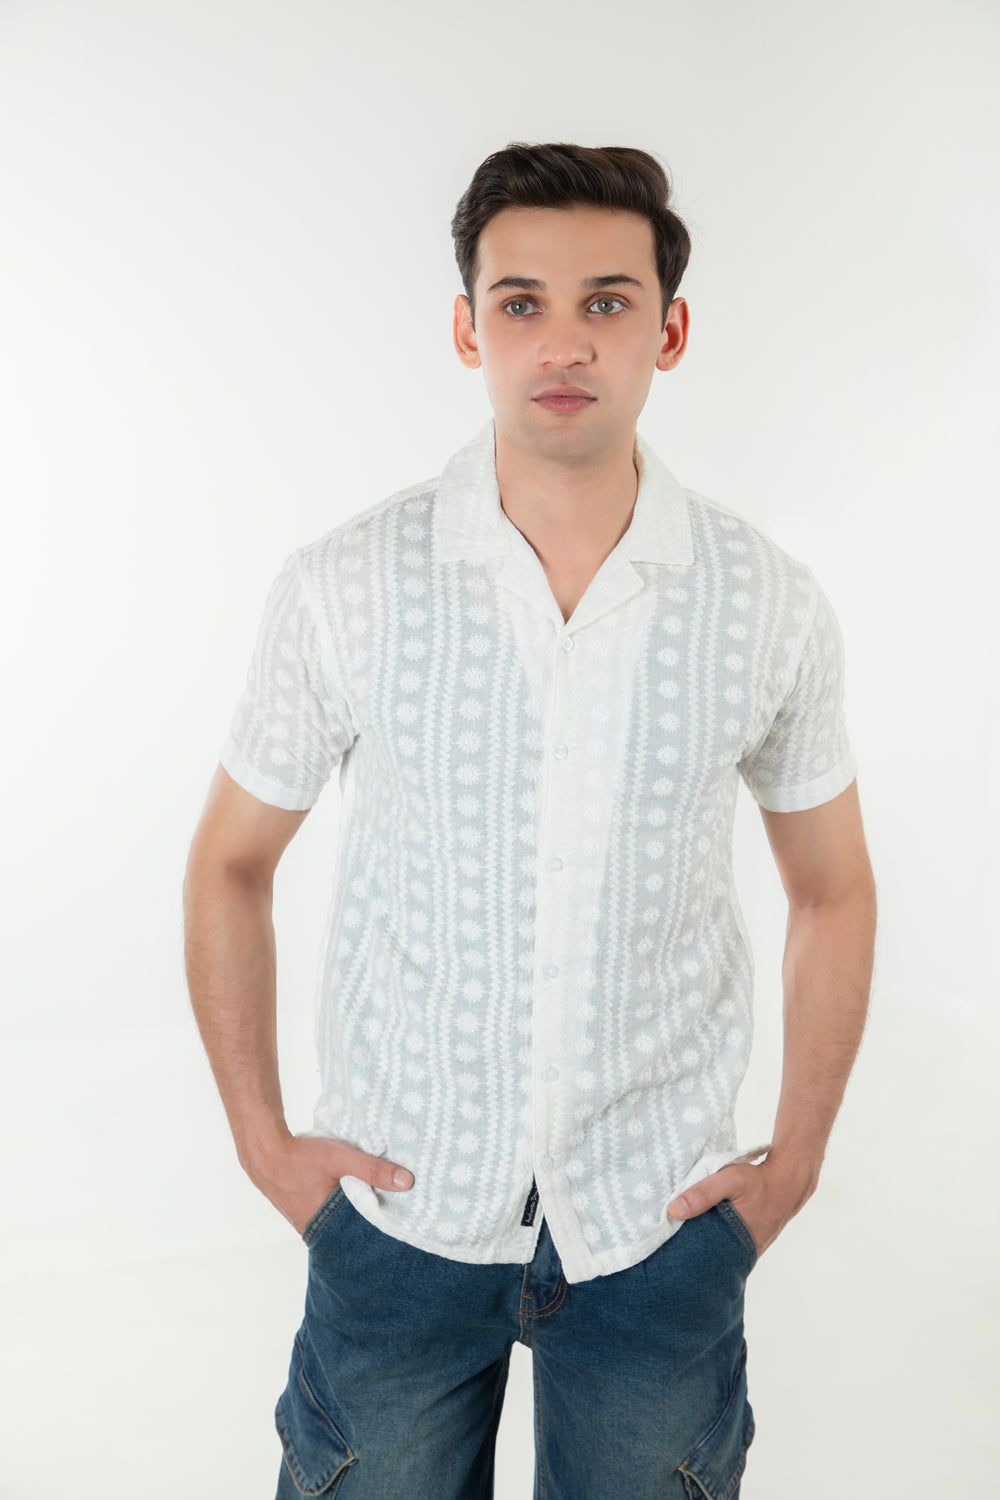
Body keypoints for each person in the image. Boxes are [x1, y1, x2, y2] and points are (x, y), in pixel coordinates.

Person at [184, 142, 876, 1499]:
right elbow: (229, 861)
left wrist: (793, 1165)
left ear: (670, 331)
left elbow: (834, 889)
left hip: (656, 1233)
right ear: (468, 329)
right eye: (522, 303)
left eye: (608, 301)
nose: (564, 342)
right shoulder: (349, 584)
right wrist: (267, 1146)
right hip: (397, 1221)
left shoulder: (764, 602)